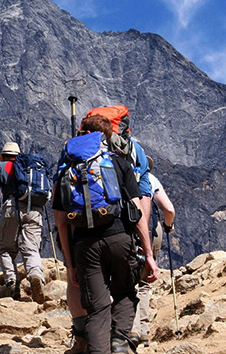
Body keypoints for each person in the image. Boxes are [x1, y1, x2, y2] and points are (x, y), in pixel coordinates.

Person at [54, 114, 159, 354]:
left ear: (81, 133)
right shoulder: (118, 162)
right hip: (120, 237)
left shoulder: (66, 170)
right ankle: (119, 342)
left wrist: (71, 265)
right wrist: (148, 254)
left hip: (85, 245)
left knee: (97, 309)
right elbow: (137, 213)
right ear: (107, 136)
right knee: (125, 292)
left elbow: (61, 224)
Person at [0, 142, 46, 303]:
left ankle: (11, 282)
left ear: (3, 156)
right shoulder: (31, 167)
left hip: (12, 208)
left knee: (5, 249)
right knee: (31, 248)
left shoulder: (2, 166)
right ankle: (35, 274)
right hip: (34, 209)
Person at [130, 158, 175, 347]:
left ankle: (131, 330)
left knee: (128, 281)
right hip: (152, 231)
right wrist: (168, 226)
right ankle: (144, 332)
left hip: (130, 231)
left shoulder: (120, 174)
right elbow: (169, 209)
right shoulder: (150, 179)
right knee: (144, 282)